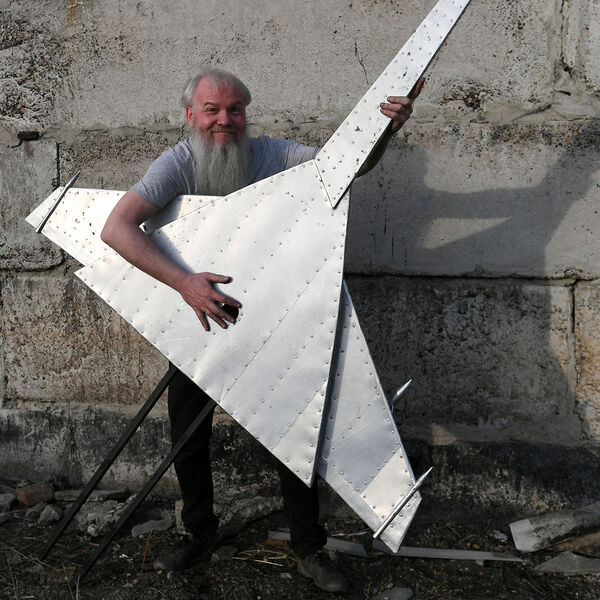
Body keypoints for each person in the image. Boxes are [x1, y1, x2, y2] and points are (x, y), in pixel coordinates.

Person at [101, 67, 422, 594]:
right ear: (191, 115)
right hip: (202, 317)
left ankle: (309, 547)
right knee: (188, 435)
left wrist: (384, 130)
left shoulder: (274, 154)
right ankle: (199, 533)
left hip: (274, 322)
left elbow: (346, 167)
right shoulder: (178, 164)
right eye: (212, 110)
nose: (224, 120)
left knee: (293, 432)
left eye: (235, 110)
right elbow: (116, 228)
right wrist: (185, 283)